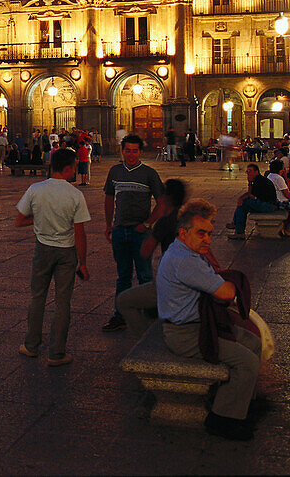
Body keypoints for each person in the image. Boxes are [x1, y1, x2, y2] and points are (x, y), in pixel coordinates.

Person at [157, 198, 262, 441]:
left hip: (195, 325)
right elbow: (226, 293)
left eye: (210, 234)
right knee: (246, 361)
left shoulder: (181, 249)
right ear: (183, 233)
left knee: (253, 342)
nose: (207, 240)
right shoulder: (185, 260)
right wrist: (232, 283)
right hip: (186, 335)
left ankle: (242, 401)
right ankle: (222, 419)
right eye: (201, 234)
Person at [15, 147, 90, 366]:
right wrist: (83, 263)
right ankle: (57, 353)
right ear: (67, 169)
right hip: (66, 253)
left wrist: (37, 220)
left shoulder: (35, 189)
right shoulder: (75, 195)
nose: (75, 171)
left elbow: (19, 220)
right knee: (62, 302)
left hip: (42, 250)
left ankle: (31, 345)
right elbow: (80, 233)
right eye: (75, 167)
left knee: (38, 297)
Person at [102, 134, 167, 332]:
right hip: (120, 231)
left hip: (141, 232)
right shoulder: (115, 172)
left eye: (135, 151)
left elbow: (162, 203)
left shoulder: (149, 174)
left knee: (145, 275)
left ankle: (149, 314)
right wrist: (108, 225)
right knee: (123, 276)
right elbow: (108, 198)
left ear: (140, 152)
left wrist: (148, 224)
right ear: (123, 151)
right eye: (127, 150)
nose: (131, 154)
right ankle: (120, 315)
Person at [115, 178, 187, 338]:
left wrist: (147, 228)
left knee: (124, 301)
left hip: (172, 281)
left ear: (166, 197)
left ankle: (147, 339)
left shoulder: (166, 221)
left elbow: (146, 251)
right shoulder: (190, 217)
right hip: (188, 278)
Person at [224, 164, 281, 234]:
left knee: (244, 203)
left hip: (269, 205)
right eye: (247, 171)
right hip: (266, 204)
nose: (248, 173)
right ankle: (238, 228)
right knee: (242, 206)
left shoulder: (260, 181)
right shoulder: (257, 180)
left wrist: (249, 184)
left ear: (256, 172)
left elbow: (251, 195)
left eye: (250, 171)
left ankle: (237, 228)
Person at [267, 159, 290, 237]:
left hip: (276, 200)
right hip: (280, 201)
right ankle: (288, 228)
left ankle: (287, 227)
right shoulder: (278, 178)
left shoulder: (270, 175)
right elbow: (286, 193)